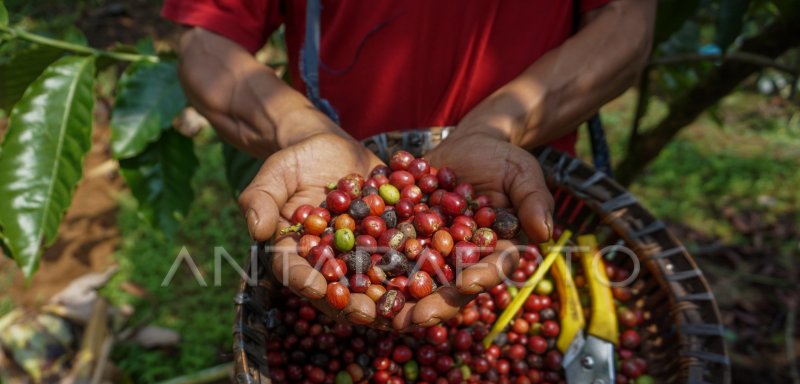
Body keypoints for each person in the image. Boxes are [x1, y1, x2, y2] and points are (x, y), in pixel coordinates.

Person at [162, 0, 656, 330]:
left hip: (520, 201)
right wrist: (299, 128)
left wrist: (502, 125)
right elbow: (206, 41)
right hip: (328, 182)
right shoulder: (362, 218)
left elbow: (626, 21)